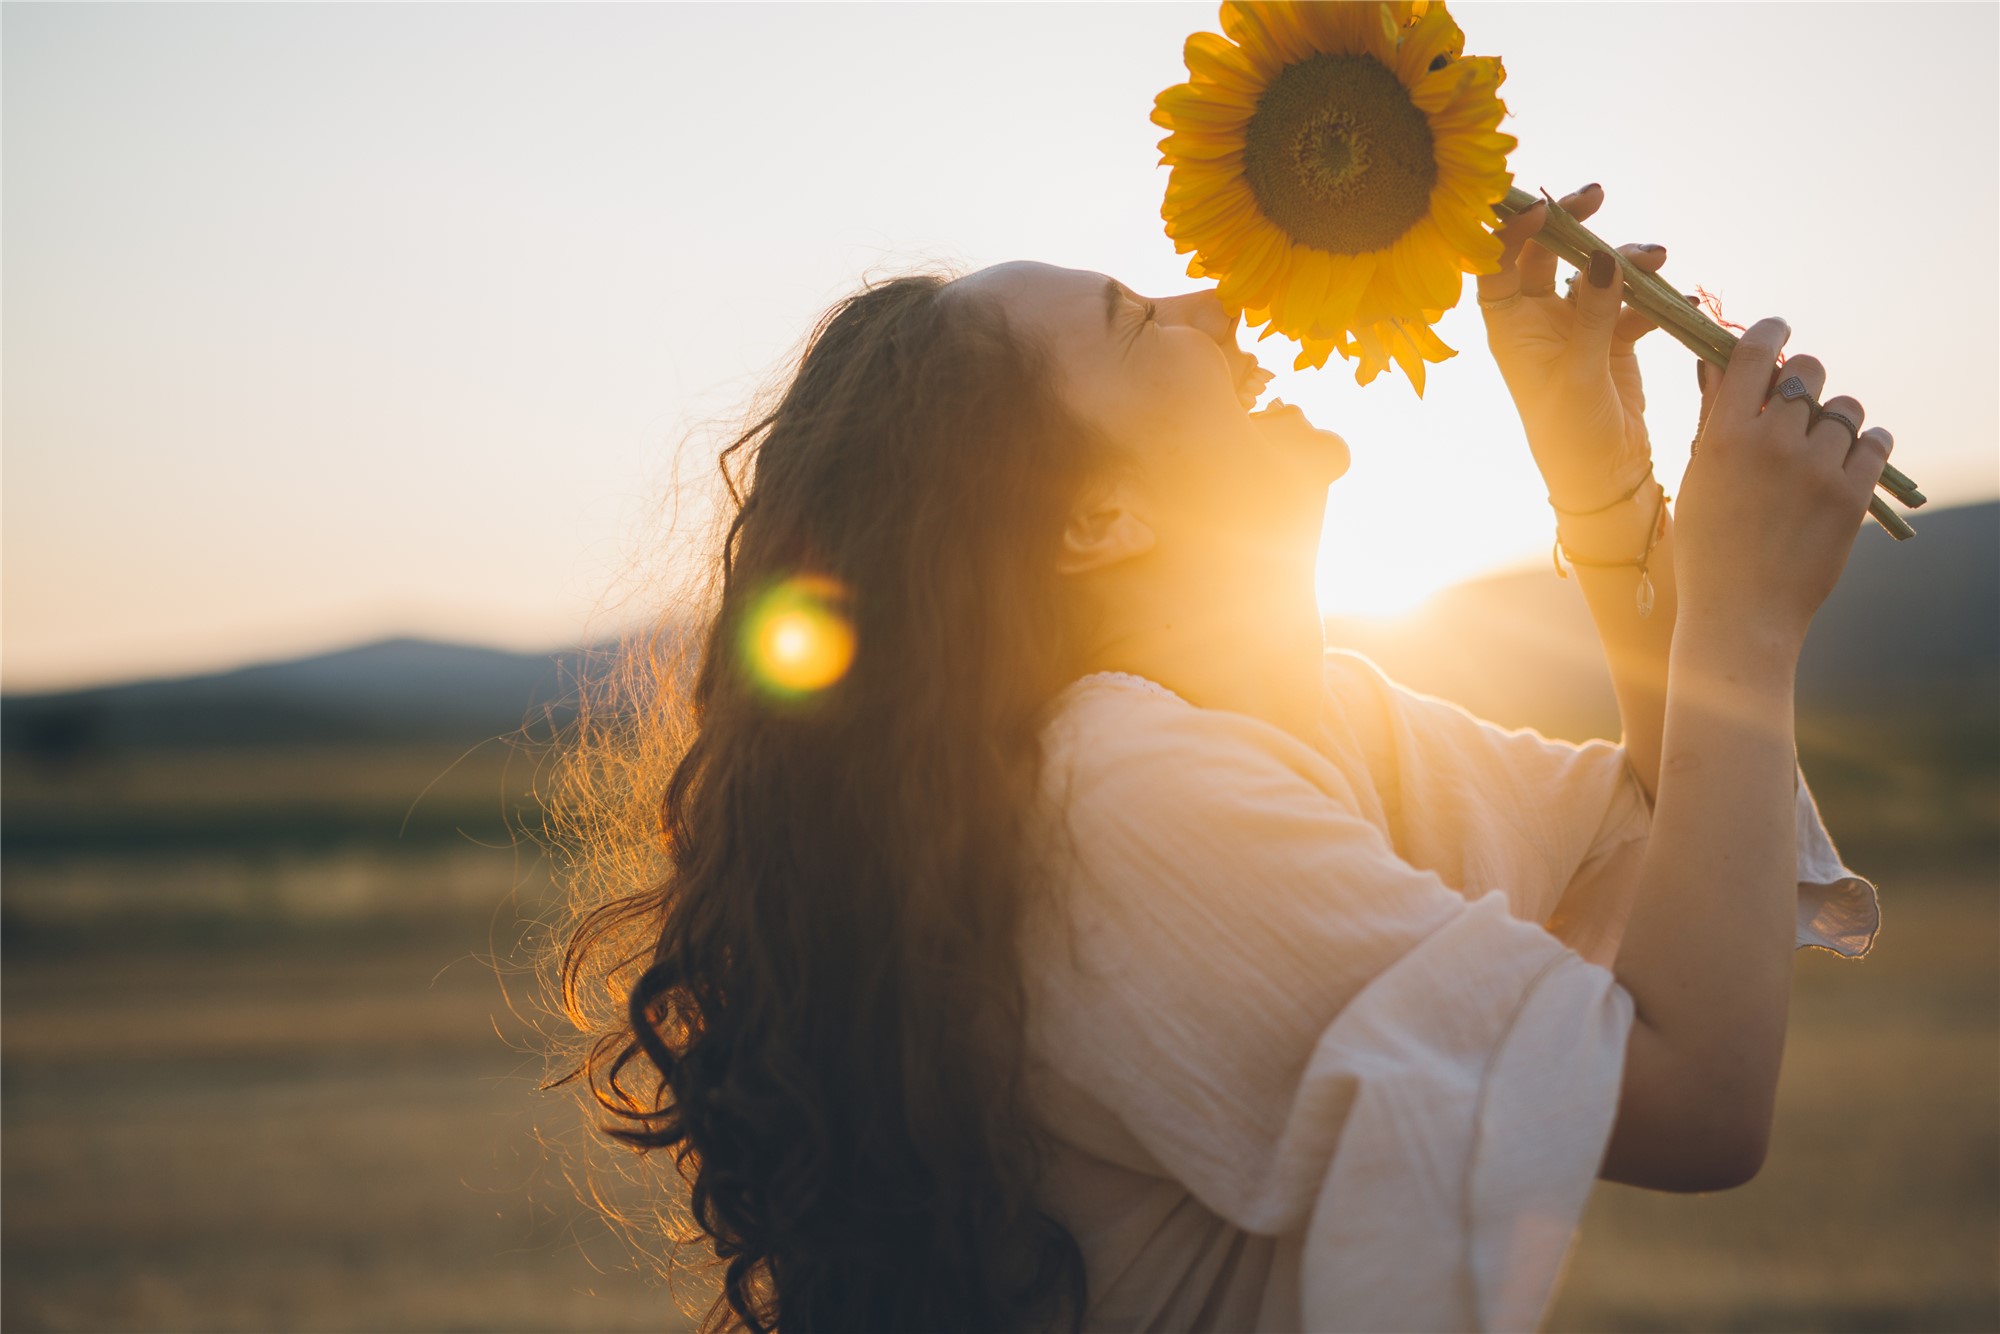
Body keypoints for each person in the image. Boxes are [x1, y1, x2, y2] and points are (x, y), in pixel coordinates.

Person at [543, 181, 1886, 1334]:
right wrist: (1747, 615)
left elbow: (1669, 840)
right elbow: (1700, 1096)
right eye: (1140, 321)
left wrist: (1601, 483)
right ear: (1102, 516)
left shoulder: (1319, 727)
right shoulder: (1118, 796)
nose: (1219, 305)